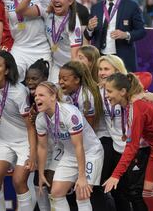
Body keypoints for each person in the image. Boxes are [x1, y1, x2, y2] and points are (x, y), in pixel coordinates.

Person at [0, 50, 36, 210]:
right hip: (4, 141)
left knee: (18, 181)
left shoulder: (18, 91)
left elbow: (31, 126)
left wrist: (32, 154)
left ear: (7, 70)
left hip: (25, 141)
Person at [35, 81, 104, 211]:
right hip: (70, 154)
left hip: (90, 152)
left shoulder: (69, 114)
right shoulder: (40, 119)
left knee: (81, 193)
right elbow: (42, 147)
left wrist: (82, 176)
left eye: (41, 95)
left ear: (53, 96)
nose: (37, 98)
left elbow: (79, 146)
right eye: (36, 96)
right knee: (56, 193)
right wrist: (41, 173)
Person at [103, 73, 153, 211]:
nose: (106, 95)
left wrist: (115, 175)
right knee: (147, 196)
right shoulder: (130, 105)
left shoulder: (137, 107)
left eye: (109, 91)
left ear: (123, 91)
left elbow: (132, 147)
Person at [0, 0, 51, 81]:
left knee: (44, 85)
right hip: (19, 48)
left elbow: (22, 10)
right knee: (13, 81)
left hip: (40, 49)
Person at [16, 0, 81, 82]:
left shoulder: (73, 21)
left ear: (70, 1)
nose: (57, 0)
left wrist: (71, 73)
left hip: (69, 66)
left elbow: (75, 54)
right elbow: (20, 10)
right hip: (55, 64)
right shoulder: (47, 11)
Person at [84, 0, 146, 72]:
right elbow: (88, 36)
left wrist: (126, 34)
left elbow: (141, 31)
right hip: (100, 58)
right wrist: (90, 28)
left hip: (122, 59)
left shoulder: (131, 6)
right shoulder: (96, 8)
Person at [24, 59, 52, 211]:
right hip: (43, 147)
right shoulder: (28, 97)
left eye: (34, 79)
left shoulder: (54, 95)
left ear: (45, 79)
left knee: (56, 190)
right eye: (28, 79)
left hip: (58, 149)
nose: (30, 82)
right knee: (38, 184)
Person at [59, 61, 103, 130]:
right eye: (59, 79)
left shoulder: (86, 97)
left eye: (65, 79)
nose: (60, 82)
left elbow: (89, 127)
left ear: (76, 80)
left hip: (95, 135)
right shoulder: (65, 92)